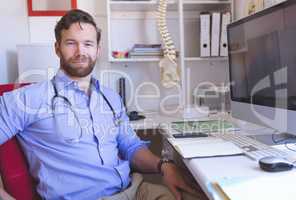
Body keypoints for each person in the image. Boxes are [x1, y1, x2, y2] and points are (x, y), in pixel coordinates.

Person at [0, 9, 201, 200]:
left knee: (203, 195)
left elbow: (130, 146)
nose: (80, 51)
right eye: (71, 43)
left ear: (98, 49)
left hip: (134, 191)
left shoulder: (110, 97)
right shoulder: (28, 99)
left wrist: (164, 165)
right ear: (57, 48)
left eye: (88, 44)